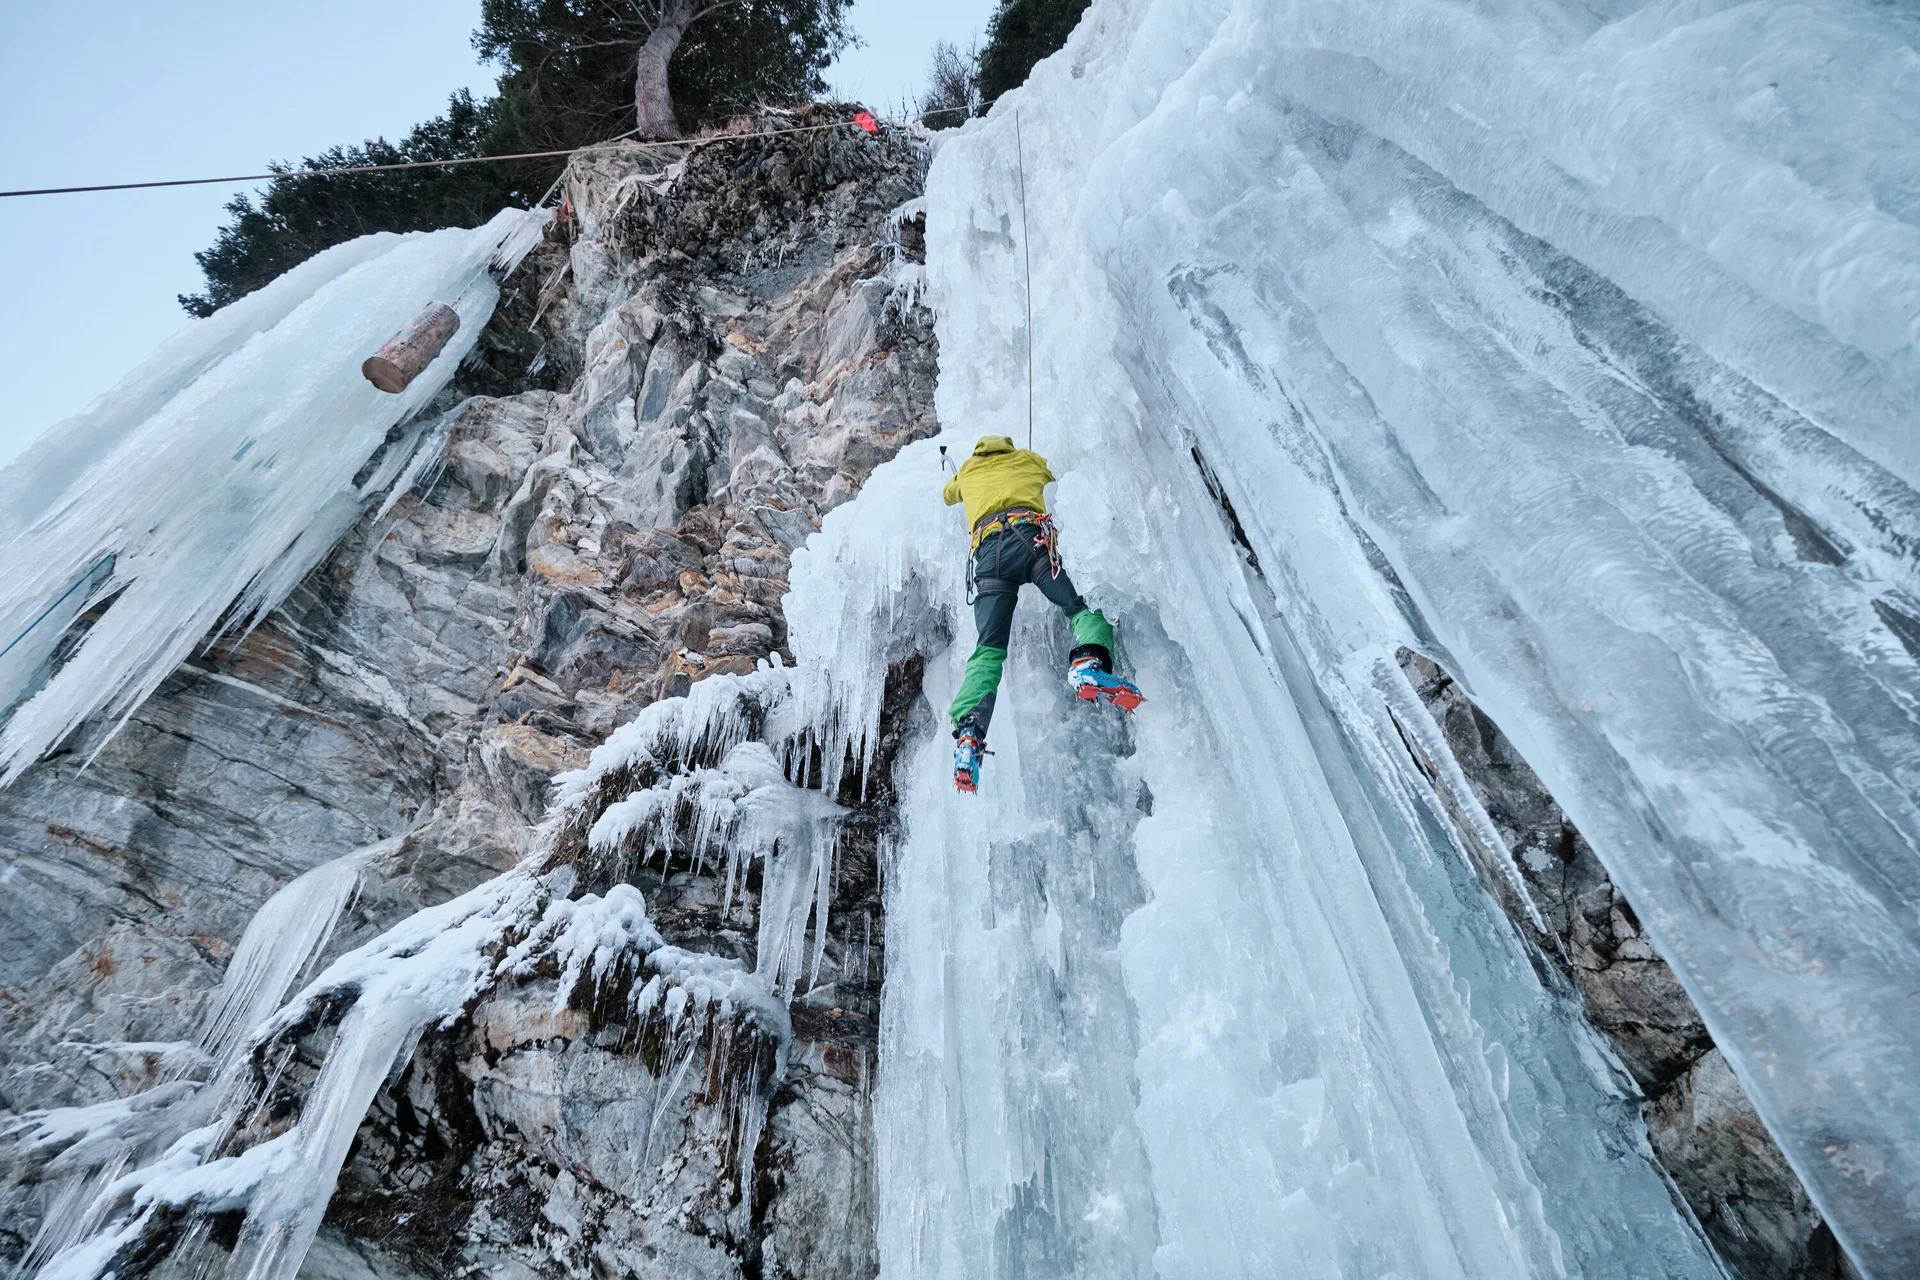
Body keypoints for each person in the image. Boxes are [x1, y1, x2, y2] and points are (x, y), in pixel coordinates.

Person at [940, 435, 1143, 793]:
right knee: (1080, 606)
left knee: (988, 650)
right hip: (1031, 543)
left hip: (990, 557)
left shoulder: (968, 470)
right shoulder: (1026, 459)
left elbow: (948, 495)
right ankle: (1088, 663)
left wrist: (960, 481)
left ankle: (970, 732)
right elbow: (1052, 473)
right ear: (1008, 447)